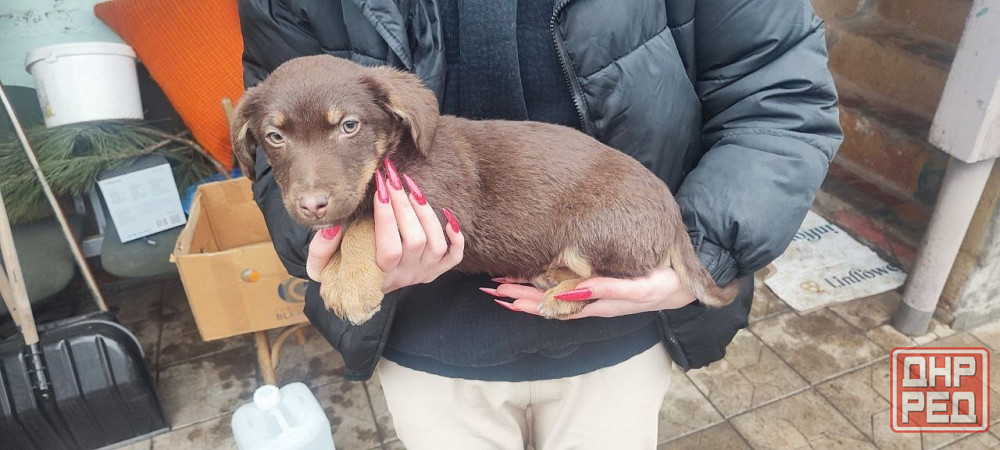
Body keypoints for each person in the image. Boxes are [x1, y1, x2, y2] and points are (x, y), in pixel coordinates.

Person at [237, 0, 842, 448]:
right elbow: (276, 149)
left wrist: (706, 255)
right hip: (426, 352)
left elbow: (780, 98)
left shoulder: (421, 133)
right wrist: (328, 246)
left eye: (348, 127)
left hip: (621, 333)